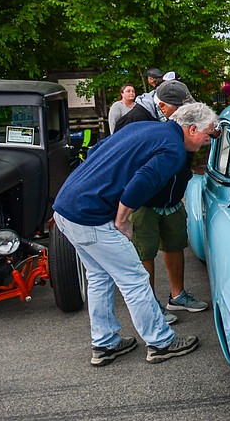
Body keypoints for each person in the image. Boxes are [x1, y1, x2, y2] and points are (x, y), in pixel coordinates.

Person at [52, 100, 218, 366]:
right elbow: (141, 183)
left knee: (99, 277)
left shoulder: (144, 127)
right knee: (135, 279)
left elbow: (97, 149)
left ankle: (105, 344)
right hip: (90, 215)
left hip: (65, 207)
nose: (206, 142)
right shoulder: (173, 150)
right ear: (192, 129)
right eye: (207, 135)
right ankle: (161, 342)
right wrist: (122, 221)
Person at [118, 80, 210, 317]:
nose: (182, 110)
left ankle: (177, 296)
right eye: (178, 106)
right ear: (161, 105)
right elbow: (128, 161)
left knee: (175, 244)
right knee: (145, 252)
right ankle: (150, 307)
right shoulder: (135, 118)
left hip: (172, 197)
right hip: (145, 201)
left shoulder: (176, 118)